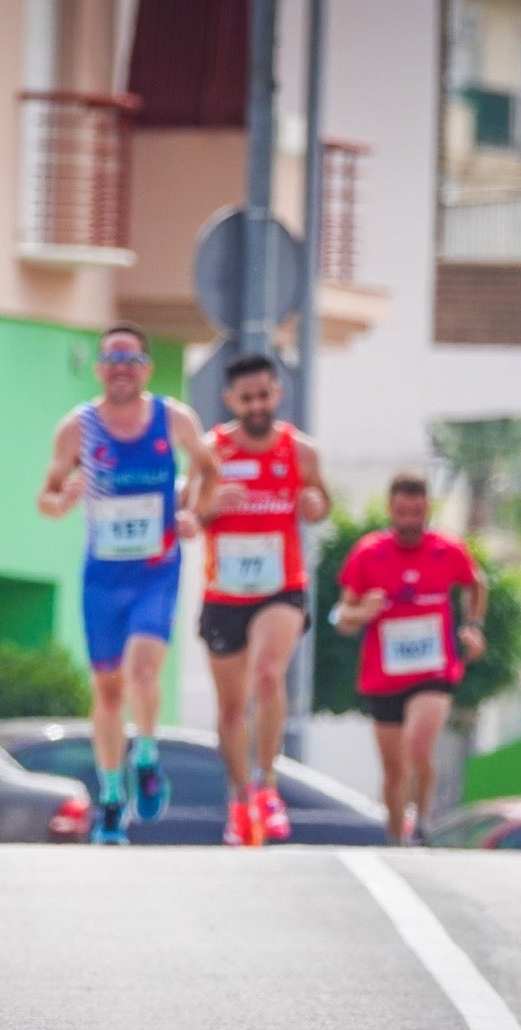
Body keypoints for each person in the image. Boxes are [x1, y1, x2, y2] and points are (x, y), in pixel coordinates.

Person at [38, 322, 216, 844]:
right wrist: (63, 499)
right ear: (99, 369)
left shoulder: (173, 419)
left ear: (145, 368)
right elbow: (46, 498)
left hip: (156, 570)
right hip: (102, 575)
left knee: (143, 670)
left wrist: (195, 514)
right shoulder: (78, 429)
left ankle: (147, 757)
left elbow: (209, 470)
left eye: (131, 360)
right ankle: (113, 797)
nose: (121, 369)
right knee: (107, 691)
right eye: (112, 360)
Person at [196, 353, 330, 846]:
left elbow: (319, 500)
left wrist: (315, 504)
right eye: (246, 398)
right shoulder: (212, 450)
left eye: (264, 395)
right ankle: (239, 801)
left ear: (278, 394)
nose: (256, 406)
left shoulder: (301, 451)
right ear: (231, 400)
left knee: (269, 675)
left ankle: (269, 786)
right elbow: (191, 513)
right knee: (231, 707)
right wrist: (213, 504)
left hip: (281, 585)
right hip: (225, 590)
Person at [331, 474, 484, 846]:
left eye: (416, 511)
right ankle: (396, 838)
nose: (409, 520)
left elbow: (476, 583)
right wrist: (361, 612)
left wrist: (474, 626)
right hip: (383, 676)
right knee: (394, 768)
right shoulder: (369, 553)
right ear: (391, 509)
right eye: (402, 512)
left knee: (418, 745)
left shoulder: (447, 549)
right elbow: (340, 617)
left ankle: (423, 822)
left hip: (434, 669)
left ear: (427, 508)